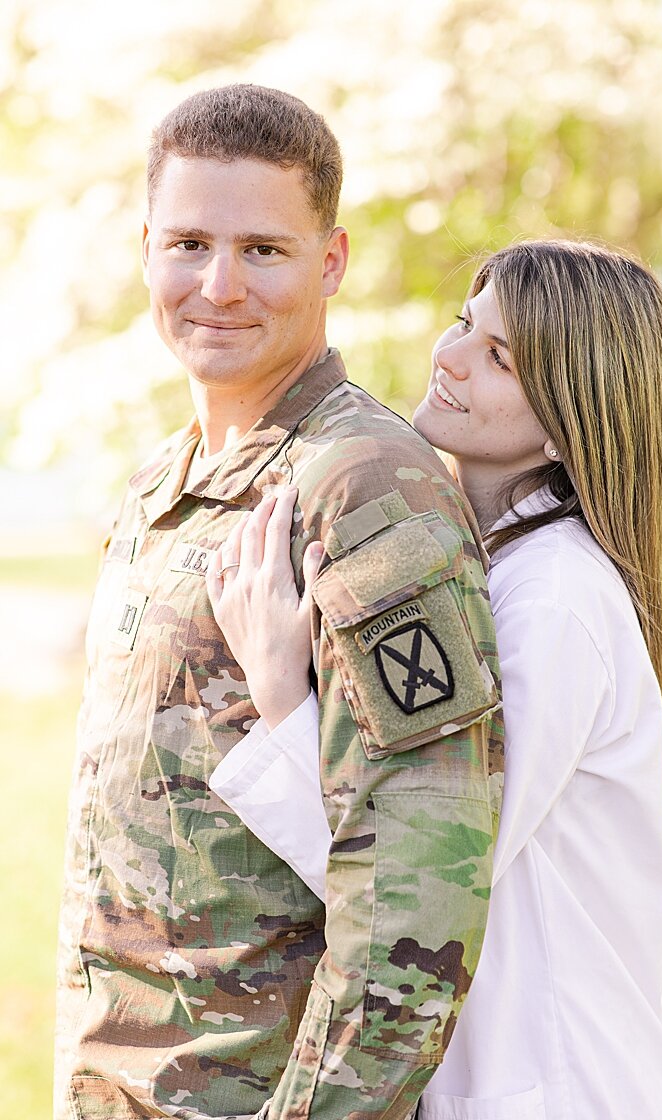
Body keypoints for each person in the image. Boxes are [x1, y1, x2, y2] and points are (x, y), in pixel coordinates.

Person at [54, 85, 502, 1120]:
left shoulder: (366, 485)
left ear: (331, 262)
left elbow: (420, 884)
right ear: (147, 251)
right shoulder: (160, 483)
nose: (217, 285)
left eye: (263, 250)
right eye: (188, 244)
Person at [204, 240, 662, 1118]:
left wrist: (279, 693)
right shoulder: (499, 568)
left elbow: (428, 882)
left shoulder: (551, 600)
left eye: (498, 356)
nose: (449, 355)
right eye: (466, 322)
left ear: (566, 418)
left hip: (559, 1089)